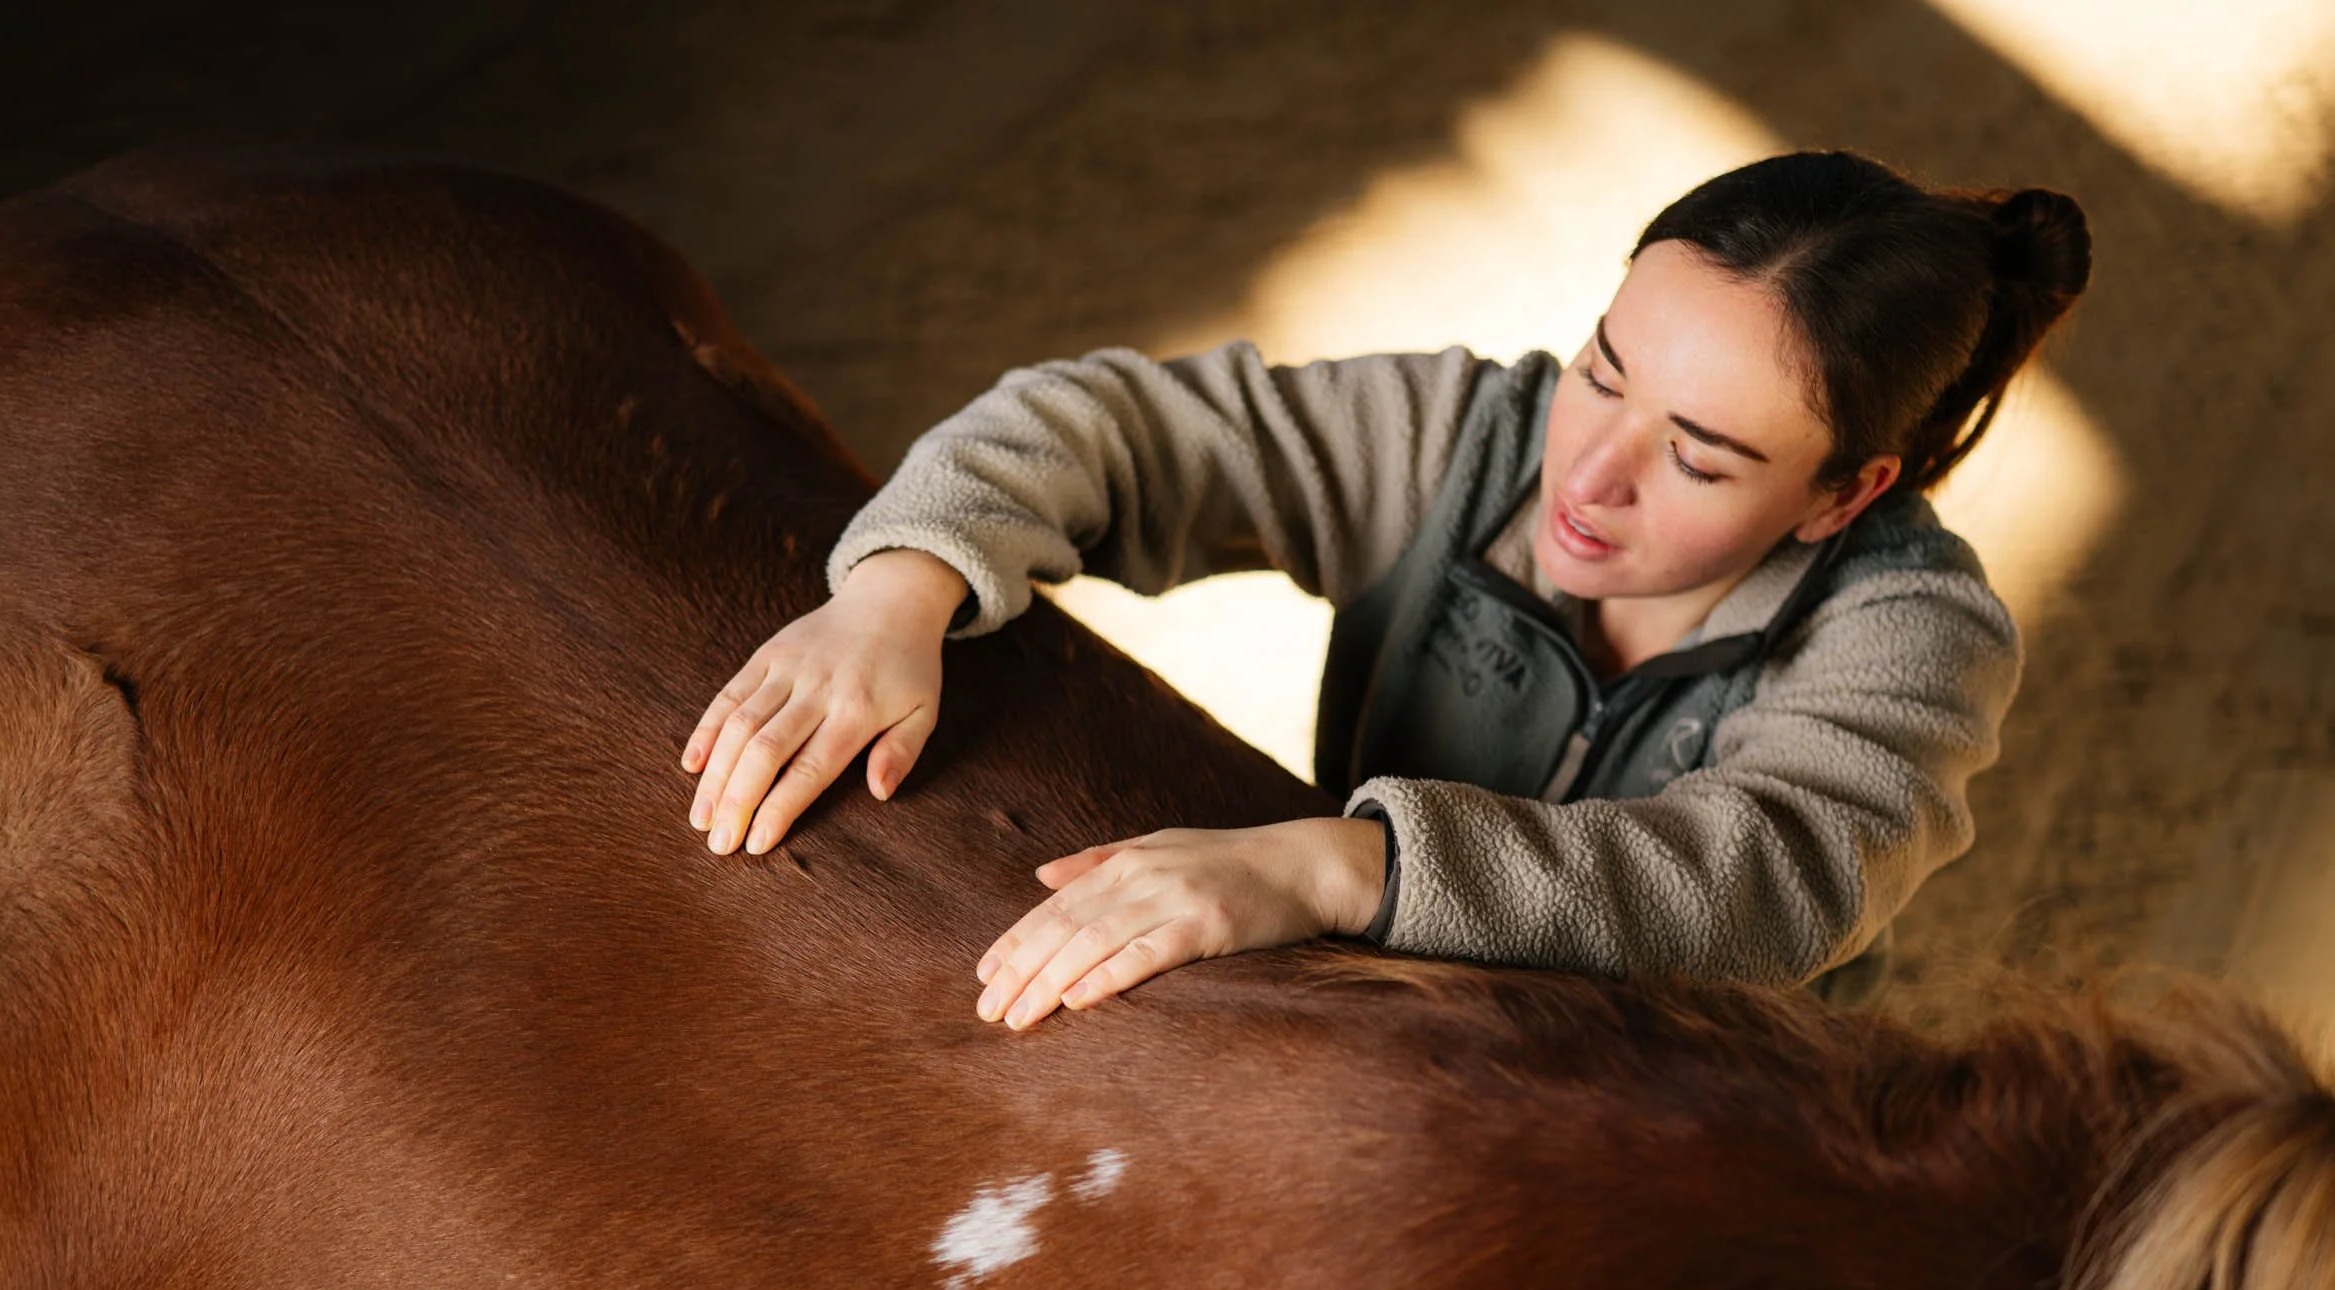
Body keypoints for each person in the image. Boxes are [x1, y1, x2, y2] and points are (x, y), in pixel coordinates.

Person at [679, 150, 2092, 1027]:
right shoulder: (1459, 437)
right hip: (1367, 1013)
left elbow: (1769, 883)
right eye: (1605, 368)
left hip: (1698, 1098)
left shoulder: (1916, 628)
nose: (1587, 474)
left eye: (1703, 457)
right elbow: (1105, 427)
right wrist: (901, 589)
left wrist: (1333, 863)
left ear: (1844, 492)